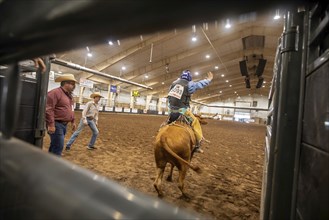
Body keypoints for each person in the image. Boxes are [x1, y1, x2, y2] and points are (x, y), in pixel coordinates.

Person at [167, 69, 213, 153]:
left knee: (166, 123)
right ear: (189, 78)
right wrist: (208, 80)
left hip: (171, 111)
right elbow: (199, 85)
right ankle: (198, 144)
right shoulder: (189, 84)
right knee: (195, 122)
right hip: (182, 111)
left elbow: (169, 95)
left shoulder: (173, 83)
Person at [45, 73, 77, 156]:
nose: (73, 86)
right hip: (56, 123)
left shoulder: (69, 96)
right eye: (72, 84)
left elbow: (71, 109)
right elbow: (49, 109)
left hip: (63, 125)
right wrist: (51, 124)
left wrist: (73, 121)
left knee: (55, 145)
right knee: (58, 146)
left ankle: (49, 161)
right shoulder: (54, 93)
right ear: (66, 83)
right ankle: (54, 165)